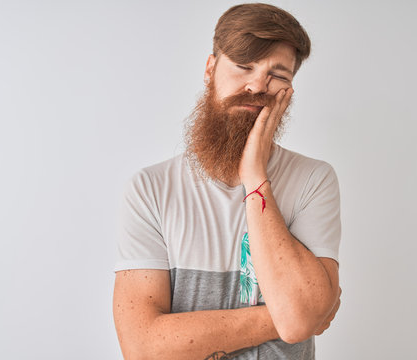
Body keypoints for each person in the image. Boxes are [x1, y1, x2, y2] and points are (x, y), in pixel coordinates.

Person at [113, 3, 342, 359]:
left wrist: (255, 179)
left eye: (277, 74)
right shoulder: (151, 190)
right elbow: (143, 348)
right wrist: (290, 314)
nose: (256, 85)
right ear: (210, 68)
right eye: (244, 66)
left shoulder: (313, 180)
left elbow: (298, 324)